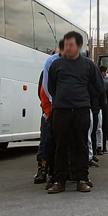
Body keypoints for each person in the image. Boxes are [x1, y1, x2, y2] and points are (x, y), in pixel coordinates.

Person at [46, 31, 104, 194]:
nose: (68, 47)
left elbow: (98, 87)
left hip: (81, 110)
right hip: (61, 111)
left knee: (80, 145)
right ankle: (59, 180)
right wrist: (61, 99)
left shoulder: (88, 65)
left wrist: (83, 96)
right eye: (65, 45)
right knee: (60, 145)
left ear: (79, 46)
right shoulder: (56, 65)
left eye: (71, 45)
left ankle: (82, 179)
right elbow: (52, 87)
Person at [34, 39, 65, 185]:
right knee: (45, 142)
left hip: (61, 111)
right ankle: (42, 169)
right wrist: (48, 112)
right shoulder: (47, 69)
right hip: (49, 112)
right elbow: (43, 92)